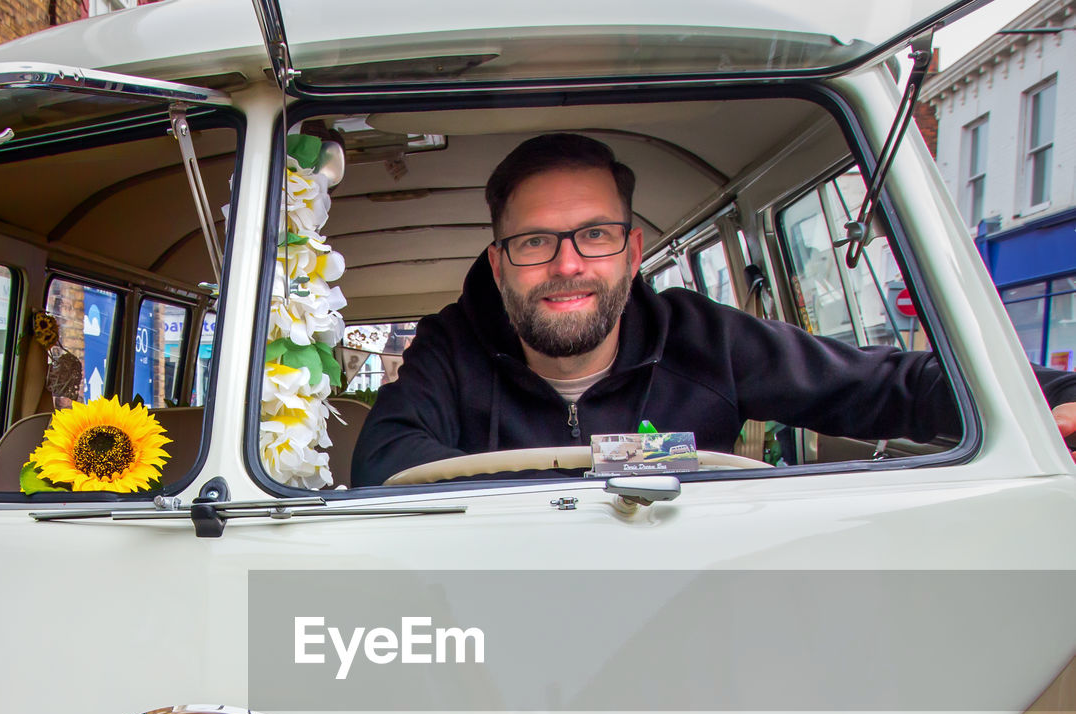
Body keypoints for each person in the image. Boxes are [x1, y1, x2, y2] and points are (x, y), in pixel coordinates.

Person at [350, 133, 1076, 487]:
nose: (568, 264)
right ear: (501, 259)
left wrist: (1054, 397)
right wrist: (601, 482)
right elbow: (386, 458)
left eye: (594, 236)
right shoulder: (452, 348)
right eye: (536, 240)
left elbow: (883, 384)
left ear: (632, 251)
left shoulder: (699, 338)